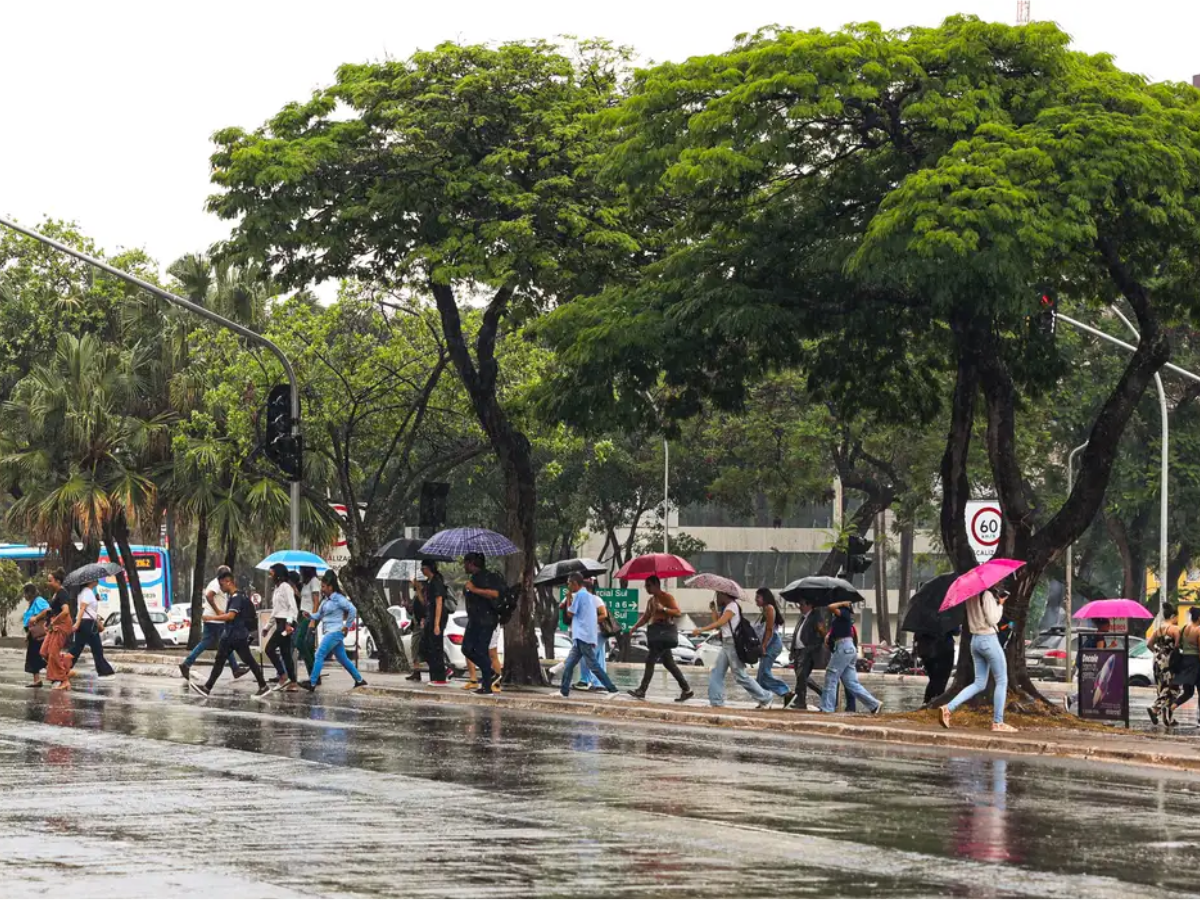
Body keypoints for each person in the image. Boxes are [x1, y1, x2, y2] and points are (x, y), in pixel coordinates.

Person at [188, 569, 271, 699]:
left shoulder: (237, 597)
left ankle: (263, 686)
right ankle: (207, 687)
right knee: (223, 660)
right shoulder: (237, 596)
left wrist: (211, 618)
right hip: (234, 634)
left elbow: (231, 616)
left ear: (228, 582)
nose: (221, 588)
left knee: (241, 660)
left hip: (235, 635)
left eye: (222, 585)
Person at [940, 589, 1014, 732]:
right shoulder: (986, 595)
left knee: (979, 683)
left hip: (975, 641)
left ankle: (948, 708)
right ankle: (998, 722)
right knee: (1002, 680)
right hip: (988, 639)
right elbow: (993, 620)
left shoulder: (970, 596)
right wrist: (1000, 604)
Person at [692, 592, 775, 709]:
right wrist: (713, 610)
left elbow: (721, 622)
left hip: (733, 645)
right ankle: (716, 701)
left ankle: (766, 697)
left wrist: (700, 630)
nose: (717, 597)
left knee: (740, 675)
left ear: (725, 595)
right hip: (726, 644)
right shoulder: (726, 607)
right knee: (717, 672)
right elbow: (718, 625)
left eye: (718, 595)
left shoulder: (732, 606)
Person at [627, 575, 693, 702]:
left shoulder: (666, 597)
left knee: (650, 660)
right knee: (669, 663)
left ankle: (642, 690)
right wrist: (635, 627)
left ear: (656, 585)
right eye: (646, 585)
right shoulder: (651, 601)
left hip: (664, 633)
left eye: (649, 585)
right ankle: (687, 690)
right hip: (657, 635)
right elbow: (646, 617)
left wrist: (663, 609)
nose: (646, 588)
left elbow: (678, 612)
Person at [300, 570, 368, 692]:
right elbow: (318, 615)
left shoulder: (339, 598)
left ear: (331, 587)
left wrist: (347, 626)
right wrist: (309, 615)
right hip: (330, 632)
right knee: (343, 659)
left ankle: (312, 682)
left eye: (324, 586)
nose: (322, 589)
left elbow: (352, 610)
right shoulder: (325, 601)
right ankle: (359, 680)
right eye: (321, 586)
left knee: (319, 654)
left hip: (335, 632)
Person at [179, 565, 248, 680]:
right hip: (215, 621)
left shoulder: (217, 583)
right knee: (222, 642)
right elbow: (209, 596)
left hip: (213, 619)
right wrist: (218, 612)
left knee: (222, 643)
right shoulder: (216, 584)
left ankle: (235, 668)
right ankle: (187, 664)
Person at [559, 572, 618, 697]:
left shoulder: (580, 595)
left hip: (583, 636)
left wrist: (569, 598)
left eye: (569, 583)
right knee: (569, 664)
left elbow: (570, 613)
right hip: (581, 636)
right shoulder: (588, 596)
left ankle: (612, 689)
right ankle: (563, 691)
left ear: (575, 583)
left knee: (593, 665)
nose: (568, 585)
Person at [819, 601, 882, 715]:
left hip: (844, 647)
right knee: (851, 682)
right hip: (846, 648)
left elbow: (830, 607)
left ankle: (827, 708)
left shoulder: (844, 611)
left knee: (831, 675)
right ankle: (874, 704)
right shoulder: (840, 618)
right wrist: (828, 636)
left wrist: (843, 603)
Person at [462, 553, 504, 695]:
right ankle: (490, 673)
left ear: (472, 563)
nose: (464, 566)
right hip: (474, 620)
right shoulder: (473, 578)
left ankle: (487, 686)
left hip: (486, 620)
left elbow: (495, 594)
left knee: (481, 650)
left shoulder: (489, 577)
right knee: (467, 649)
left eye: (465, 563)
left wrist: (474, 590)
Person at [63, 577, 116, 681]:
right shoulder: (87, 592)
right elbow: (82, 608)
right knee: (97, 648)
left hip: (85, 623)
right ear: (90, 582)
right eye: (95, 579)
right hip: (87, 623)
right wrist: (77, 623)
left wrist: (95, 599)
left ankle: (63, 668)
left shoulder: (85, 592)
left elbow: (86, 607)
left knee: (77, 647)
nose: (97, 580)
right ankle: (105, 672)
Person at [263, 563, 298, 690]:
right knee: (285, 653)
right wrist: (267, 626)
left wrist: (289, 623)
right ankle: (293, 682)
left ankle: (283, 676)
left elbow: (292, 607)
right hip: (279, 622)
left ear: (278, 574)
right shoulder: (277, 589)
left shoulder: (286, 587)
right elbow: (275, 610)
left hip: (285, 624)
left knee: (269, 649)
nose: (270, 576)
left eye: (271, 573)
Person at [789, 600, 828, 711]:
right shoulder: (802, 618)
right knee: (801, 676)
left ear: (809, 605)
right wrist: (792, 651)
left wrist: (812, 647)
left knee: (802, 675)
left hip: (808, 651)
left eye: (802, 604)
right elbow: (796, 634)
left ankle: (801, 701)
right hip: (798, 651)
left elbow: (822, 633)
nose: (800, 607)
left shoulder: (816, 616)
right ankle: (821, 692)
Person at [754, 588, 790, 704]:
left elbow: (769, 630)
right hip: (768, 643)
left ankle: (787, 693)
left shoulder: (769, 608)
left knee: (764, 673)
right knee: (761, 676)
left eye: (758, 597)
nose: (756, 599)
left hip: (772, 644)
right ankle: (764, 700)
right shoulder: (764, 610)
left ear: (765, 598)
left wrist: (763, 646)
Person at [42, 570, 75, 690]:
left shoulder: (62, 593)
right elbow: (51, 611)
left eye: (50, 581)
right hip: (54, 625)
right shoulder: (55, 594)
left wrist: (53, 622)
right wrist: (47, 622)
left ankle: (64, 680)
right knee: (44, 652)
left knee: (53, 654)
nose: (48, 583)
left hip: (61, 625)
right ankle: (65, 669)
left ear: (58, 582)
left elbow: (66, 611)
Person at [1149, 606, 1182, 726]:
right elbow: (1178, 647)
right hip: (1169, 663)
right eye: (1177, 617)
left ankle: (1167, 719)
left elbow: (1149, 644)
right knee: (1172, 688)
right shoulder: (1175, 629)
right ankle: (1155, 709)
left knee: (1161, 687)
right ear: (1173, 616)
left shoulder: (1158, 629)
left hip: (1157, 662)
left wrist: (1158, 653)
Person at [421, 560, 450, 686]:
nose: (422, 571)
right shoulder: (430, 582)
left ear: (428, 568)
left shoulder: (437, 582)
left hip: (437, 618)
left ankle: (439, 676)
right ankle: (436, 674)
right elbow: (426, 603)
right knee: (426, 647)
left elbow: (439, 603)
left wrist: (437, 624)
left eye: (423, 568)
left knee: (435, 647)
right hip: (430, 617)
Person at [1168, 606, 1200, 724]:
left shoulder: (1185, 628)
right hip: (1196, 663)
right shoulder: (1198, 630)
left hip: (1185, 662)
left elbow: (1178, 645)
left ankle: (1171, 708)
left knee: (1188, 692)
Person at [915, 629, 957, 706]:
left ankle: (927, 702)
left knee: (934, 679)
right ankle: (934, 702)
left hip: (926, 651)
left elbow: (917, 636)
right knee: (941, 680)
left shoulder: (922, 619)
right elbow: (956, 631)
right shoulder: (947, 618)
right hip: (944, 650)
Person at [22, 583, 50, 687]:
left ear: (30, 593)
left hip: (39, 636)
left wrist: (36, 618)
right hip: (33, 635)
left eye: (25, 593)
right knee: (33, 658)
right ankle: (37, 680)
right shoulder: (32, 603)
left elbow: (47, 610)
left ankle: (58, 677)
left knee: (42, 657)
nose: (24, 596)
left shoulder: (39, 600)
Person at [407, 579, 427, 682]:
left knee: (421, 649)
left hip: (421, 625)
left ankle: (446, 668)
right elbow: (414, 610)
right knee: (415, 649)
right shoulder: (416, 595)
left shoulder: (424, 592)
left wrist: (418, 590)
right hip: (416, 624)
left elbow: (424, 605)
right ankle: (416, 672)